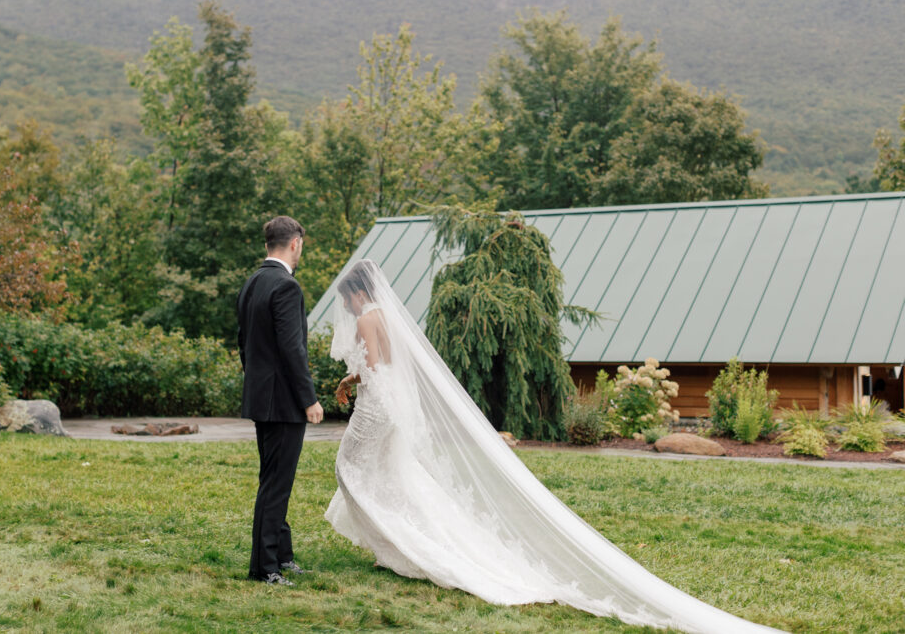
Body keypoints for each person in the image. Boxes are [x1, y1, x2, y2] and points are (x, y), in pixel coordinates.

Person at [324, 259, 783, 633]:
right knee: (389, 471)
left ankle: (405, 543)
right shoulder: (385, 316)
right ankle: (401, 541)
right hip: (390, 403)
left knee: (352, 468)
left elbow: (379, 365)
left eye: (346, 298)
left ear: (355, 294)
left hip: (378, 405)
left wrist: (351, 379)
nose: (346, 306)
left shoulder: (367, 318)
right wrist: (354, 377)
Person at [237, 216, 324, 586]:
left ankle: (282, 556)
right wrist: (309, 399)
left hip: (262, 397)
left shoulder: (252, 283)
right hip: (284, 402)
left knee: (275, 480)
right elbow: (292, 349)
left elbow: (245, 344)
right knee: (276, 484)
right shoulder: (286, 286)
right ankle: (265, 568)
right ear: (295, 244)